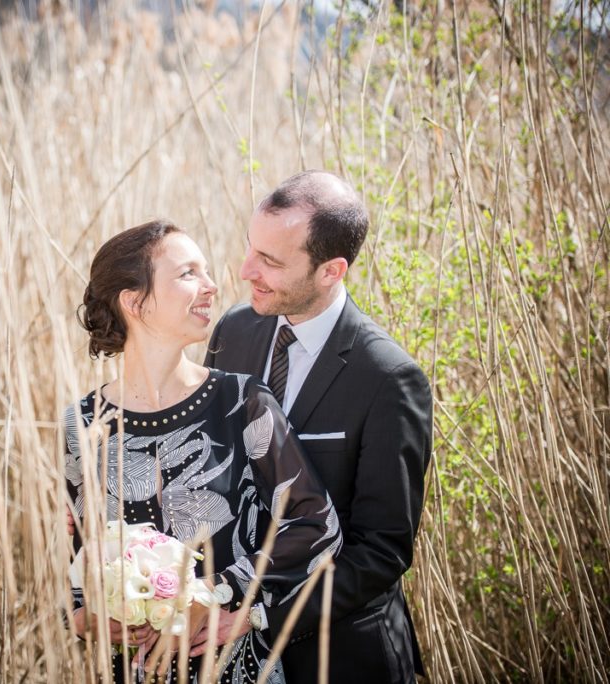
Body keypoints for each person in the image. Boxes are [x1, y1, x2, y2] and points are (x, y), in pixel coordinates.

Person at [64, 219, 342, 683]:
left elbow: (315, 525)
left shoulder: (241, 402)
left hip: (232, 669)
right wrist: (82, 616)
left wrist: (211, 592)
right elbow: (67, 551)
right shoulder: (83, 424)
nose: (212, 286)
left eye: (206, 270)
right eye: (188, 273)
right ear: (135, 302)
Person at [204, 171, 432, 683]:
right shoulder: (233, 333)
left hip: (340, 655)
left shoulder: (390, 379)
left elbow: (380, 551)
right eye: (250, 249)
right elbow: (209, 468)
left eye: (271, 262)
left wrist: (261, 618)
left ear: (331, 271)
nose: (245, 271)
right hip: (231, 660)